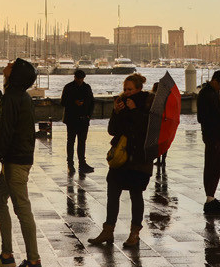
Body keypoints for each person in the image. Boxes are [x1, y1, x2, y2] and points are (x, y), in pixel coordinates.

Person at [0, 58, 42, 267]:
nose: (7, 65)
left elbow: (3, 134)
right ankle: (7, 255)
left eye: (12, 65)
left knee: (22, 208)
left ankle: (33, 260)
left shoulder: (10, 99)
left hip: (16, 161)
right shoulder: (21, 97)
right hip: (17, 158)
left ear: (14, 75)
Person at [88, 73, 153, 248]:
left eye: (130, 89)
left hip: (139, 158)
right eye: (125, 89)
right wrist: (116, 113)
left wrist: (134, 110)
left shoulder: (148, 103)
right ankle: (108, 230)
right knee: (112, 192)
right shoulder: (121, 103)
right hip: (121, 156)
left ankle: (134, 233)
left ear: (139, 89)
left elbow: (147, 130)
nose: (127, 92)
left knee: (136, 194)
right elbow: (112, 130)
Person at [197, 71, 220, 212]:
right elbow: (203, 117)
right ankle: (210, 199)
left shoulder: (211, 93)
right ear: (215, 81)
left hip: (216, 134)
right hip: (212, 135)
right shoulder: (207, 94)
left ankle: (211, 197)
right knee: (213, 166)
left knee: (216, 166)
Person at [60, 68, 95, 174]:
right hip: (72, 119)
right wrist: (74, 102)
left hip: (84, 119)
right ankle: (70, 164)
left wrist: (89, 115)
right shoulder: (68, 87)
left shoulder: (87, 87)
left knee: (81, 142)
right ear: (75, 78)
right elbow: (63, 102)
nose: (80, 80)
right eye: (78, 78)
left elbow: (92, 102)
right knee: (71, 142)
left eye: (81, 79)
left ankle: (82, 163)